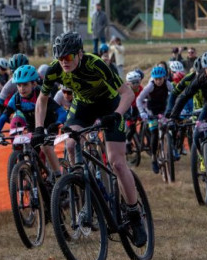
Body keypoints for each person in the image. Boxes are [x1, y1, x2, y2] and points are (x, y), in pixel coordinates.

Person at [35, 31, 146, 246]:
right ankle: (84, 187)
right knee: (70, 143)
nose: (63, 62)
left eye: (68, 57)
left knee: (117, 163)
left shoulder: (97, 65)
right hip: (83, 106)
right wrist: (39, 128)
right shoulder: (54, 70)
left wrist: (117, 115)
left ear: (79, 54)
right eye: (60, 58)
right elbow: (42, 99)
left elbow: (128, 94)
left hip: (111, 105)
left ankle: (134, 215)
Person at [0, 65, 66, 174]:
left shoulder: (41, 95)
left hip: (49, 126)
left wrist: (58, 123)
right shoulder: (16, 98)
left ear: (34, 84)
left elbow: (61, 112)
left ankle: (58, 176)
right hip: (33, 128)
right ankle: (34, 178)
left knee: (46, 148)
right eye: (19, 85)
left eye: (25, 84)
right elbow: (3, 117)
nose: (21, 89)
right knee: (31, 154)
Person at [137, 66, 174, 173]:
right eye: (156, 79)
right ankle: (153, 158)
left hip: (163, 110)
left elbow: (175, 95)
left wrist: (175, 109)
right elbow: (139, 99)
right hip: (151, 111)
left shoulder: (167, 84)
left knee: (171, 126)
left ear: (164, 77)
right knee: (154, 132)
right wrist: (142, 112)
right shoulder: (150, 86)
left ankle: (172, 149)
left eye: (160, 79)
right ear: (153, 78)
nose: (158, 81)